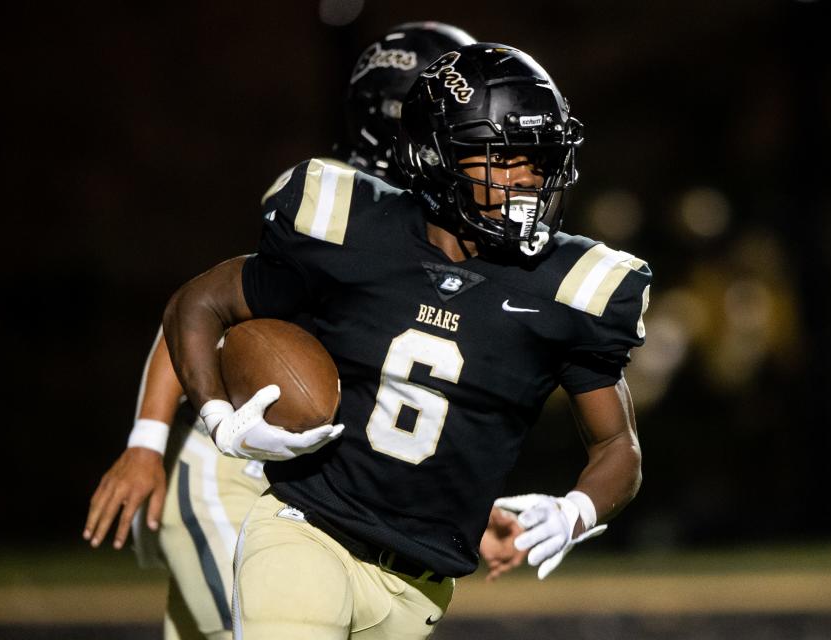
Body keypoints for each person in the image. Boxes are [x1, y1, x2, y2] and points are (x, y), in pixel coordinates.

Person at [163, 42, 650, 639]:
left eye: (540, 158)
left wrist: (576, 511)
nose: (527, 178)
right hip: (306, 533)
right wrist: (218, 416)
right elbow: (201, 301)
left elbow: (617, 446)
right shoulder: (353, 230)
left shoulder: (571, 289)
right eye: (503, 158)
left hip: (418, 589)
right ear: (434, 156)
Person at [83, 23, 523, 640]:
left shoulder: (442, 234)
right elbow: (206, 309)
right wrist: (146, 443)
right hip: (236, 472)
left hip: (318, 497)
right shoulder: (337, 205)